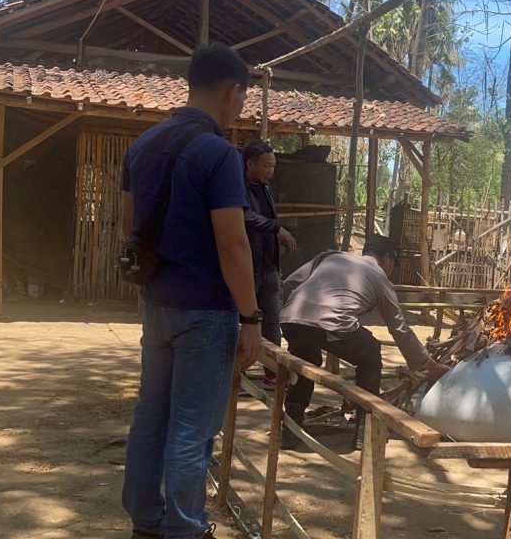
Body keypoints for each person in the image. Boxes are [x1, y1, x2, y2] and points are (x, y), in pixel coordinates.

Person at [120, 43, 263, 539]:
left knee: (151, 416)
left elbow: (129, 227)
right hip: (205, 310)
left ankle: (145, 519)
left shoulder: (141, 145)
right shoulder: (220, 154)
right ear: (231, 92)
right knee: (192, 430)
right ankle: (184, 528)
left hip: (156, 303)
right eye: (242, 97)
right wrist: (251, 318)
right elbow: (233, 245)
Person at [278, 235, 449, 451]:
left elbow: (290, 282)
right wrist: (428, 365)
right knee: (370, 354)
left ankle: (290, 432)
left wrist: (295, 311)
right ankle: (364, 430)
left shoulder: (330, 257)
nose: (391, 271)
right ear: (386, 259)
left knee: (304, 365)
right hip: (333, 323)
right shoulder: (380, 279)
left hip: (290, 318)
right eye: (392, 266)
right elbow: (399, 329)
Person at [240, 139, 297, 388]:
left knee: (272, 322)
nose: (269, 171)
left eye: (272, 166)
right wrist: (276, 228)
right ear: (250, 164)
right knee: (242, 320)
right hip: (246, 266)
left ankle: (272, 373)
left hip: (268, 266)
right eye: (265, 166)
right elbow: (244, 216)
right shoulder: (236, 187)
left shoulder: (265, 188)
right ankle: (236, 375)